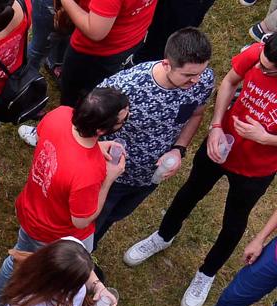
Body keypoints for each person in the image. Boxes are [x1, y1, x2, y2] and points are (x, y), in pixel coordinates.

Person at [0, 91, 127, 306]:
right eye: (122, 120)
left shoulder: (60, 114)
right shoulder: (90, 172)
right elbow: (81, 218)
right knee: (31, 270)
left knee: (16, 261)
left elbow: (51, 141)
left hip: (30, 209)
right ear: (100, 130)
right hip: (57, 233)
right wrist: (109, 178)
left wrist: (92, 147)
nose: (125, 120)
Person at [88, 32, 215, 242]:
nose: (196, 80)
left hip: (151, 176)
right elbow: (88, 123)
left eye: (200, 72)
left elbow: (196, 114)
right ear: (166, 64)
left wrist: (179, 148)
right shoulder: (126, 87)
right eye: (188, 75)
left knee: (113, 218)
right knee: (91, 224)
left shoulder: (203, 80)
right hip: (112, 174)